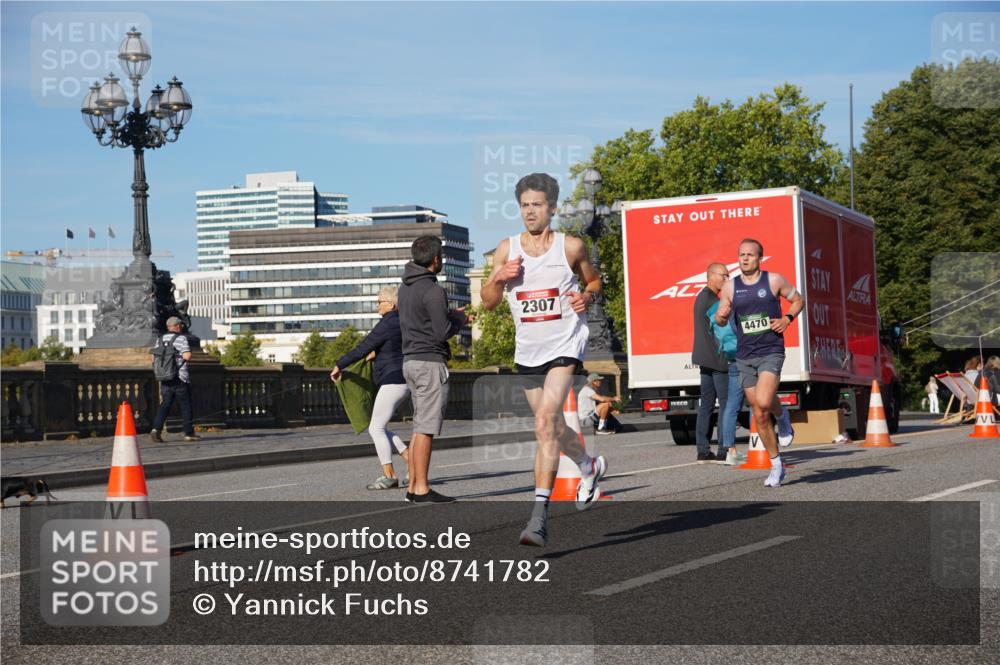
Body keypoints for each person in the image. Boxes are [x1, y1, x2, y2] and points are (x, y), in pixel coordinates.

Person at [481, 172, 606, 547]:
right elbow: (488, 302)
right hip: (528, 350)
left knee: (542, 422)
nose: (530, 212)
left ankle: (537, 518)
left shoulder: (570, 247)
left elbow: (595, 282)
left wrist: (588, 296)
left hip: (565, 345)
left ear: (552, 208)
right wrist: (499, 278)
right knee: (550, 427)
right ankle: (589, 465)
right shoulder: (507, 249)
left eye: (537, 205)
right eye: (524, 205)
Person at [715, 238, 804, 487]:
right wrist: (721, 318)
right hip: (745, 355)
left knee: (763, 402)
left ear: (759, 258)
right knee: (759, 413)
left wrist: (787, 319)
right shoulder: (730, 287)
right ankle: (777, 465)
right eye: (741, 254)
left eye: (750, 255)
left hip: (770, 351)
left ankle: (782, 414)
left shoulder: (774, 280)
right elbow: (722, 316)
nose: (744, 258)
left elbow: (798, 300)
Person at [397, 235, 471, 503]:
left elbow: (423, 321)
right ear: (436, 259)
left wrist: (450, 315)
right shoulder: (434, 290)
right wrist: (460, 319)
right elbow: (441, 333)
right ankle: (422, 489)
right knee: (426, 428)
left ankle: (414, 486)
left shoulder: (404, 288)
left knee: (419, 426)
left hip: (410, 360)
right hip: (430, 362)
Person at [331, 285, 410, 490]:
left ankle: (389, 476)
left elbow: (363, 347)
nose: (377, 306)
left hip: (393, 379)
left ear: (391, 304)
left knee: (376, 427)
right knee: (380, 426)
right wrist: (379, 353)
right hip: (406, 378)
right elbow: (396, 346)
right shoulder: (404, 321)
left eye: (379, 302)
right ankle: (410, 459)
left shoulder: (387, 322)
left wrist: (340, 364)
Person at [706, 268, 746, 466]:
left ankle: (729, 449)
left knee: (730, 405)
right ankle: (767, 442)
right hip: (747, 357)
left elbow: (715, 334)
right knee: (760, 401)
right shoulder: (736, 306)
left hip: (731, 358)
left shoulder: (713, 310)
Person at [692, 263, 730, 461]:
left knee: (706, 405)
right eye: (724, 275)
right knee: (726, 404)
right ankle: (724, 449)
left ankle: (703, 451)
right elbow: (725, 329)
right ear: (711, 276)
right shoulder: (713, 301)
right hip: (718, 359)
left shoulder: (701, 297)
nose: (727, 279)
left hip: (704, 359)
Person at [150, 316, 201, 442]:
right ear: (178, 326)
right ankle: (189, 433)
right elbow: (187, 356)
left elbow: (153, 359)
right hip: (179, 377)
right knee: (185, 405)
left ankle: (156, 429)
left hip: (165, 377)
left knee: (165, 404)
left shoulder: (160, 339)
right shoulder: (181, 338)